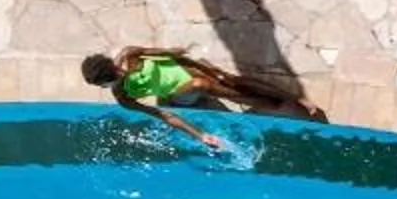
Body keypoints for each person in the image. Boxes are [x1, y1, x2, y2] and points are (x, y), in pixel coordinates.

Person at [82, 48, 326, 150]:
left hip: (186, 72)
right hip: (179, 93)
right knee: (211, 87)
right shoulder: (123, 96)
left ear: (114, 66)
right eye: (111, 83)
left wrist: (209, 69)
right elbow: (165, 115)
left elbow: (173, 56)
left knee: (231, 79)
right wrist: (200, 135)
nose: (118, 80)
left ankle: (295, 97)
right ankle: (272, 103)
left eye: (115, 76)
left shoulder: (130, 55)